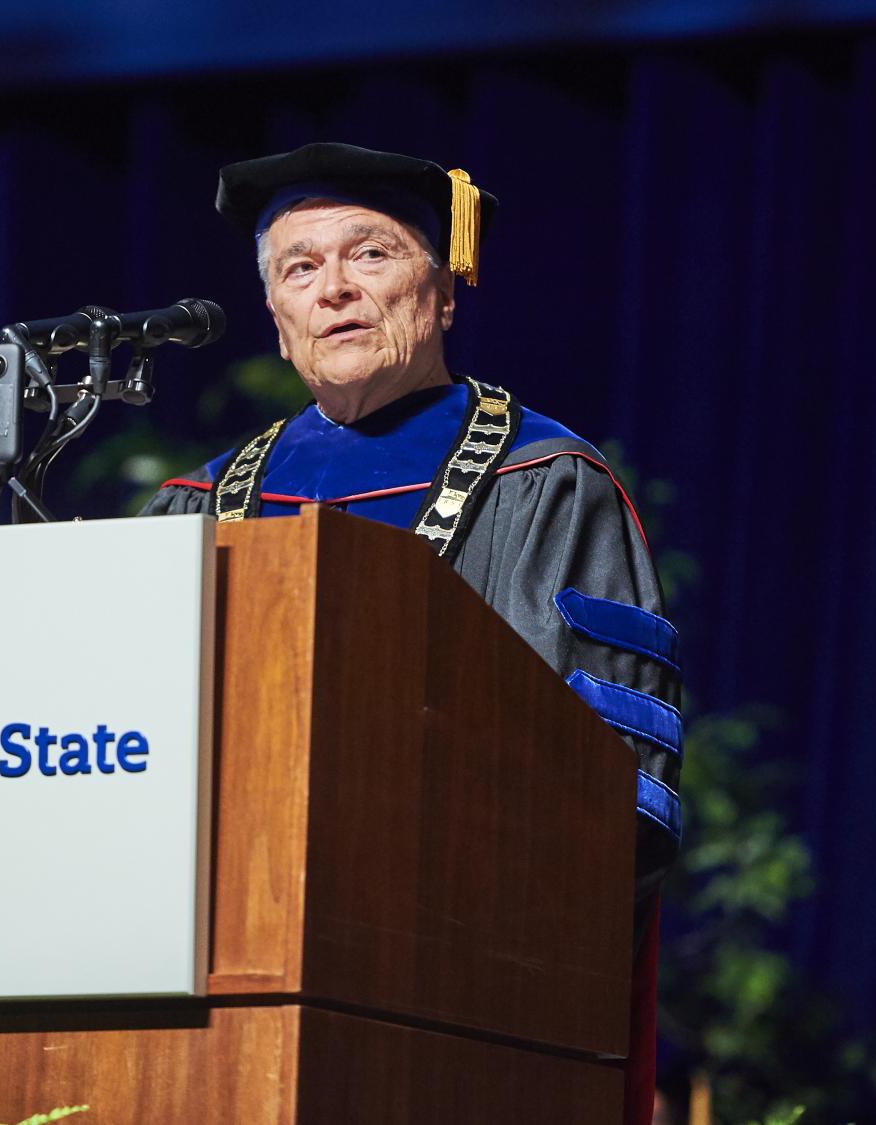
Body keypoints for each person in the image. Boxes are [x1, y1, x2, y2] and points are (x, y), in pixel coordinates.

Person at [140, 141, 681, 1122]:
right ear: (276, 318)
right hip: (216, 979)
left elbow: (610, 783)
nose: (335, 289)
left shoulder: (548, 483)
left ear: (441, 293)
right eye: (301, 269)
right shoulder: (196, 505)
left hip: (458, 995)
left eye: (372, 256)